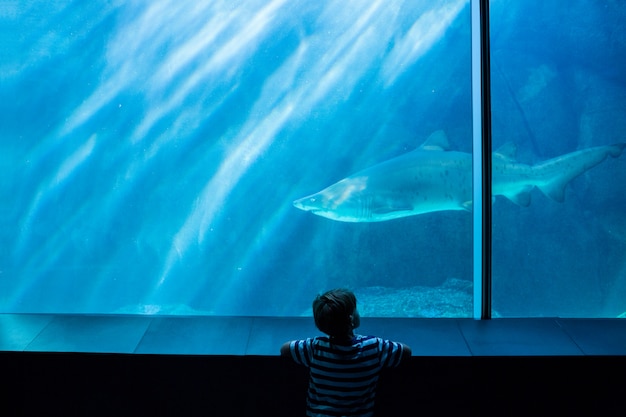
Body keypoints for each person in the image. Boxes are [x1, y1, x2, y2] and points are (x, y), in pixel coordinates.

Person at [280, 288, 412, 417]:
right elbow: (406, 351)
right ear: (351, 319)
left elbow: (285, 348)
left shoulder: (315, 348)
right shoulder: (374, 346)